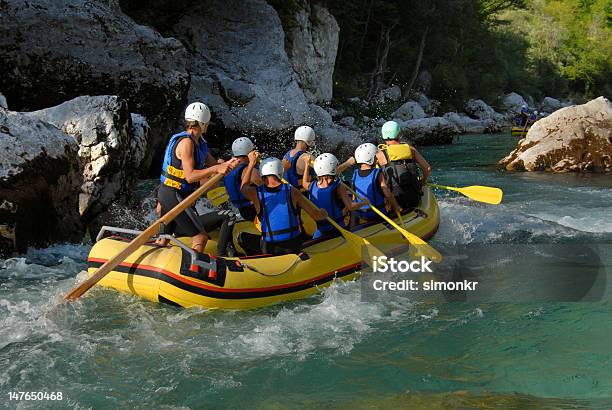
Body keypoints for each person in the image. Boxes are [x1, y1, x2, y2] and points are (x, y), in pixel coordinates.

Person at [157, 102, 238, 255]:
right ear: (202, 123)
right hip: (172, 194)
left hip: (176, 195)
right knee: (200, 236)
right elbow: (190, 177)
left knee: (164, 239)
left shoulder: (199, 143)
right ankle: (196, 269)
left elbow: (214, 164)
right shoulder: (187, 143)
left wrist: (231, 162)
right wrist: (216, 168)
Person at [241, 154, 326, 255]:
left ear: (262, 174)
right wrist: (323, 212)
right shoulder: (293, 191)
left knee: (241, 237)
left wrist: (251, 163)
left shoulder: (255, 193)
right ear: (280, 173)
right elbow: (317, 216)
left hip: (270, 248)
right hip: (293, 246)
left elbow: (243, 186)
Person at [302, 153, 359, 239]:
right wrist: (364, 202)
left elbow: (304, 182)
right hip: (338, 230)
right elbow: (350, 206)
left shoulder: (311, 186)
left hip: (321, 231)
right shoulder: (339, 187)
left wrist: (307, 164)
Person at [376, 120, 431, 210]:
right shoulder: (410, 149)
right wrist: (423, 181)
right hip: (414, 197)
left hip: (395, 200)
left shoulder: (380, 155)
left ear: (383, 136)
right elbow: (427, 168)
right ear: (398, 134)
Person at [350, 143, 402, 226]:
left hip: (359, 214)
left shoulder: (355, 174)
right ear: (371, 159)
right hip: (376, 214)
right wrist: (397, 207)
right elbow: (388, 194)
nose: (376, 159)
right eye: (375, 157)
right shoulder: (378, 173)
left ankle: (352, 226)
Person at [223, 136, 261, 222]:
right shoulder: (250, 171)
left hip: (242, 211)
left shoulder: (227, 170)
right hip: (254, 210)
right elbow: (269, 187)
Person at [282, 126, 316, 190]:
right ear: (310, 141)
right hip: (303, 197)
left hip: (289, 194)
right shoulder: (307, 157)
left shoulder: (286, 155)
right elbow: (328, 169)